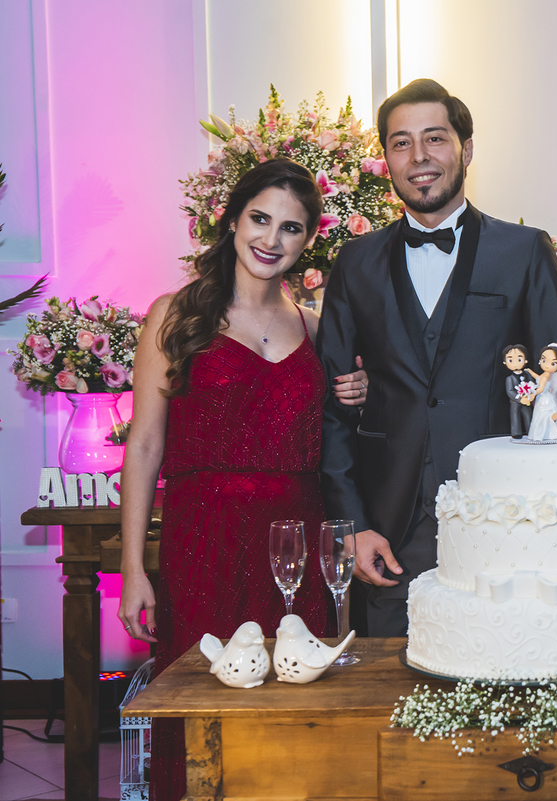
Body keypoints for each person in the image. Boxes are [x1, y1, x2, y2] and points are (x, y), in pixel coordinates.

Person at [116, 159, 369, 801]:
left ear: (308, 240)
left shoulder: (315, 327)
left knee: (296, 699)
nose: (271, 239)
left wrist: (356, 395)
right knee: (203, 701)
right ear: (232, 221)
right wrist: (134, 570)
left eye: (290, 228)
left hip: (295, 541)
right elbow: (144, 446)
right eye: (260, 219)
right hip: (204, 539)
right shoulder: (173, 316)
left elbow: (345, 439)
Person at [318, 78, 557, 637]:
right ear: (385, 157)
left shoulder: (524, 251)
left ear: (466, 148)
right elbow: (332, 408)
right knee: (388, 702)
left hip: (505, 523)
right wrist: (354, 526)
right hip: (390, 534)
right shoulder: (356, 262)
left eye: (434, 138)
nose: (419, 158)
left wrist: (549, 519)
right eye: (400, 143)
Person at [526, 343, 557, 440]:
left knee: (542, 416)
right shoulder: (545, 375)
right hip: (546, 398)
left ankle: (544, 434)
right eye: (544, 360)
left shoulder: (546, 376)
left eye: (553, 363)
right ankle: (550, 433)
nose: (547, 365)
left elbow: (541, 388)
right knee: (542, 415)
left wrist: (533, 394)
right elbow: (539, 378)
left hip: (544, 398)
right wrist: (531, 372)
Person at [503, 344, 536, 437]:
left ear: (525, 360)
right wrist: (520, 399)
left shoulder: (527, 374)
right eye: (510, 360)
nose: (515, 363)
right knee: (515, 417)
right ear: (505, 362)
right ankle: (516, 433)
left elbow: (532, 384)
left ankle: (532, 432)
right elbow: (510, 391)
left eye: (519, 359)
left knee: (528, 416)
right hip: (516, 402)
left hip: (527, 400)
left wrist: (532, 395)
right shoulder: (510, 379)